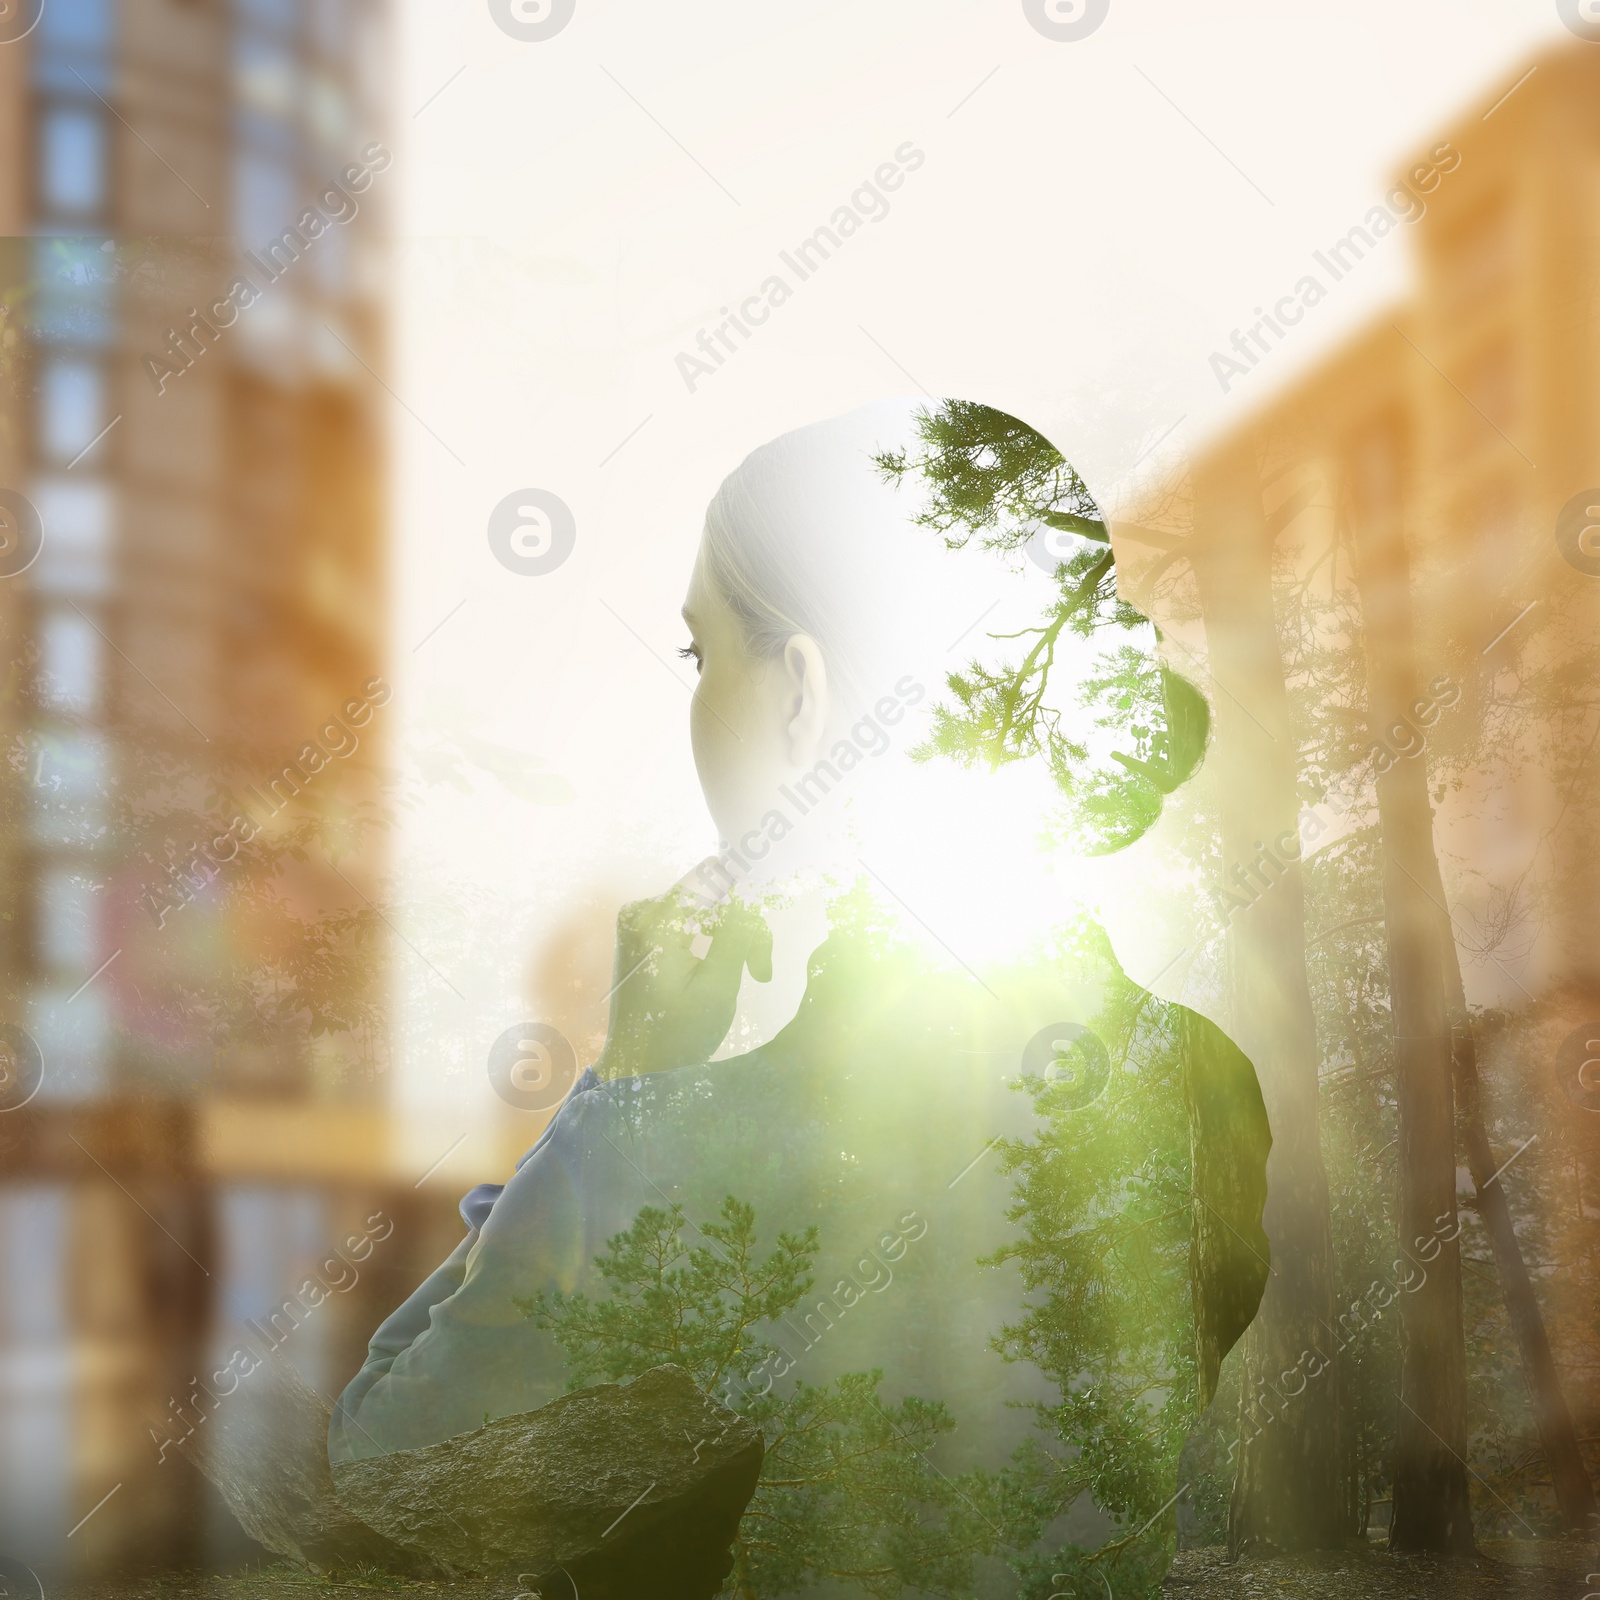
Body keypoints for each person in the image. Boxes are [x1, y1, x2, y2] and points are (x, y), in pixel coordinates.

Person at [330, 400, 1272, 1596]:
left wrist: (631, 1088)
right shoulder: (1205, 1078)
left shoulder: (704, 1140)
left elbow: (394, 1473)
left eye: (699, 651)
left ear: (799, 693)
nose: (695, 701)